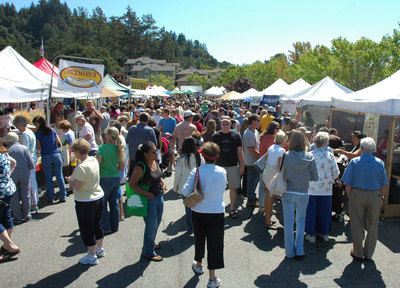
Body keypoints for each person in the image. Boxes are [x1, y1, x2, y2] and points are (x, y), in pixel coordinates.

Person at [182, 142, 227, 288]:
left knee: (199, 239)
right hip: (217, 212)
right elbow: (223, 187)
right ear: (217, 156)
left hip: (198, 211)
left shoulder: (197, 171)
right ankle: (212, 278)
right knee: (215, 244)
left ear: (202, 156)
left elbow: (185, 191)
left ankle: (199, 263)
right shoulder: (222, 171)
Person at [341, 137, 388, 261]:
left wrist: (351, 195)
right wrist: (381, 197)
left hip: (357, 193)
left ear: (361, 148)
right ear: (373, 149)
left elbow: (348, 183)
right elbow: (384, 184)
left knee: (356, 223)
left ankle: (358, 252)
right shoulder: (379, 163)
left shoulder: (355, 162)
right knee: (373, 224)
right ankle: (368, 253)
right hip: (375, 195)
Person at [281, 130, 319, 259]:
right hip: (303, 192)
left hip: (289, 191)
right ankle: (299, 250)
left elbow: (282, 173)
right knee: (301, 221)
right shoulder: (309, 157)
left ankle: (289, 252)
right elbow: (315, 177)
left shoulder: (286, 155)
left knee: (288, 223)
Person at [69, 138, 105, 265]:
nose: (73, 153)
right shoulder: (93, 159)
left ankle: (92, 254)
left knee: (87, 228)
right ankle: (99, 249)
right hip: (98, 196)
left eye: (74, 151)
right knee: (98, 224)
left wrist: (69, 180)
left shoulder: (81, 167)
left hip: (85, 200)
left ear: (78, 151)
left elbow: (77, 185)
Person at [129, 141, 166, 261]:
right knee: (151, 225)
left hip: (159, 197)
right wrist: (147, 194)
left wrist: (163, 183)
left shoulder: (155, 162)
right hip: (149, 200)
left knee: (157, 222)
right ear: (145, 154)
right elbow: (132, 184)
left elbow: (159, 175)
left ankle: (150, 244)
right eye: (153, 152)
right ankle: (149, 253)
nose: (156, 153)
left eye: (156, 151)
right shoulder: (141, 166)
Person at [305, 132, 340, 243]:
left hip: (312, 188)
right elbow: (335, 173)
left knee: (311, 211)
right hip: (326, 189)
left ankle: (311, 234)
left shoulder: (310, 155)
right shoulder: (329, 155)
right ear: (326, 143)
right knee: (324, 211)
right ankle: (324, 233)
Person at [212, 116, 244, 218]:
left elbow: (240, 152)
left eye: (227, 124)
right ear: (220, 125)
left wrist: (242, 166)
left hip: (233, 165)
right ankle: (217, 208)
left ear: (231, 124)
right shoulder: (215, 136)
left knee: (233, 188)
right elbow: (212, 152)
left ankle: (232, 208)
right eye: (223, 124)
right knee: (218, 188)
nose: (225, 125)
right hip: (219, 166)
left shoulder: (236, 136)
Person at [96, 127, 124, 234]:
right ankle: (115, 226)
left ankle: (106, 227)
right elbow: (121, 165)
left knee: (103, 204)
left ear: (107, 136)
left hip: (104, 178)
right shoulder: (118, 148)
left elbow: (97, 162)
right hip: (115, 178)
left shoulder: (102, 148)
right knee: (114, 203)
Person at [32, 116, 66, 204]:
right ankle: (63, 195)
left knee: (48, 178)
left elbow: (38, 147)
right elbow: (59, 142)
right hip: (56, 154)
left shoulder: (38, 133)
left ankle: (51, 197)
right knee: (59, 176)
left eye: (35, 124)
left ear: (39, 124)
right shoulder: (52, 130)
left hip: (46, 156)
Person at [3, 132, 34, 223]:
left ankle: (17, 216)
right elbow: (31, 164)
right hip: (24, 174)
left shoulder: (7, 150)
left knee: (14, 196)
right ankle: (27, 215)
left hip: (11, 175)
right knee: (26, 195)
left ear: (8, 141)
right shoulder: (24, 148)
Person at [173, 137, 202, 232]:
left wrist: (175, 186)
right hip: (197, 186)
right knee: (198, 207)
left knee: (188, 209)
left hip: (185, 187)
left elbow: (178, 175)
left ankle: (190, 227)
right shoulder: (199, 157)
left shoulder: (181, 159)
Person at [0, 138, 20, 262]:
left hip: (1, 191)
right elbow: (14, 162)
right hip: (8, 188)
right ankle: (7, 246)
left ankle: (10, 245)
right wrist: (8, 175)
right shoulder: (4, 154)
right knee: (6, 217)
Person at [13, 116, 38, 212]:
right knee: (32, 180)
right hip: (33, 157)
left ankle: (33, 202)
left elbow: (24, 149)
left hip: (29, 159)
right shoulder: (30, 132)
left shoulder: (25, 135)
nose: (17, 128)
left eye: (17, 126)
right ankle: (34, 201)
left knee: (30, 182)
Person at [262, 131, 286, 228]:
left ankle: (267, 217)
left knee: (268, 195)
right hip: (273, 173)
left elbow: (267, 159)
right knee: (270, 197)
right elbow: (280, 166)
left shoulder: (271, 147)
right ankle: (267, 221)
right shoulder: (281, 150)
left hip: (267, 171)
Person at [126, 113, 157, 178]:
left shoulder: (132, 128)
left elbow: (127, 141)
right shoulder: (150, 130)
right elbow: (154, 144)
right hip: (145, 157)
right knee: (144, 176)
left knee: (132, 175)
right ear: (148, 120)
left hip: (133, 156)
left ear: (139, 119)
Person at [243, 114, 261, 207]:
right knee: (252, 181)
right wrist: (261, 157)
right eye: (258, 120)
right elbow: (252, 149)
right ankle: (251, 200)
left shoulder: (255, 131)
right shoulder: (249, 133)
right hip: (251, 161)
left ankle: (252, 196)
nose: (259, 122)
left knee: (254, 180)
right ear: (253, 121)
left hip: (255, 161)